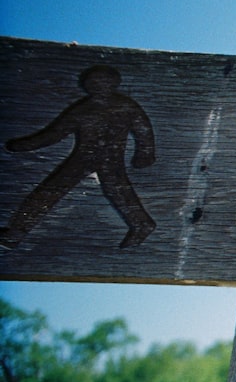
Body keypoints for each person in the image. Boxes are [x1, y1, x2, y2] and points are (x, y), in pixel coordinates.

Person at [1, 65, 156, 249]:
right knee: (48, 192)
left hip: (109, 159)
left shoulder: (126, 106)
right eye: (92, 82)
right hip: (83, 157)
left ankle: (142, 224)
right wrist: (24, 145)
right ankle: (15, 233)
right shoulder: (83, 109)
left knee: (118, 192)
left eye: (103, 81)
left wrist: (145, 153)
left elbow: (143, 131)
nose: (97, 85)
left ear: (115, 82)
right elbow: (55, 133)